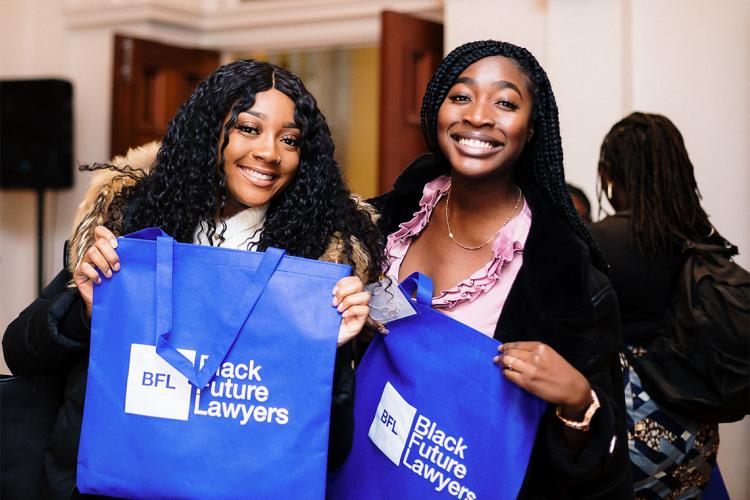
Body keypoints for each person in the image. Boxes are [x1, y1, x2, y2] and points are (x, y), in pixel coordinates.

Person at [2, 59, 382, 498]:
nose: (270, 153)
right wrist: (85, 311)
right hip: (108, 482)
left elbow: (326, 450)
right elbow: (20, 352)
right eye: (248, 128)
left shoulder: (314, 265)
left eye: (290, 138)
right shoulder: (128, 223)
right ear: (208, 133)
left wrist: (325, 353)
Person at [369, 40, 633, 498]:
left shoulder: (568, 279)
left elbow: (599, 472)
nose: (478, 116)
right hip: (363, 473)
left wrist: (577, 399)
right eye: (461, 96)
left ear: (531, 128)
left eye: (505, 102)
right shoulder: (378, 225)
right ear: (437, 110)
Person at [590, 112, 724, 498]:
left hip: (621, 408)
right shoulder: (702, 242)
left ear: (610, 173)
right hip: (692, 419)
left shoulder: (595, 241)